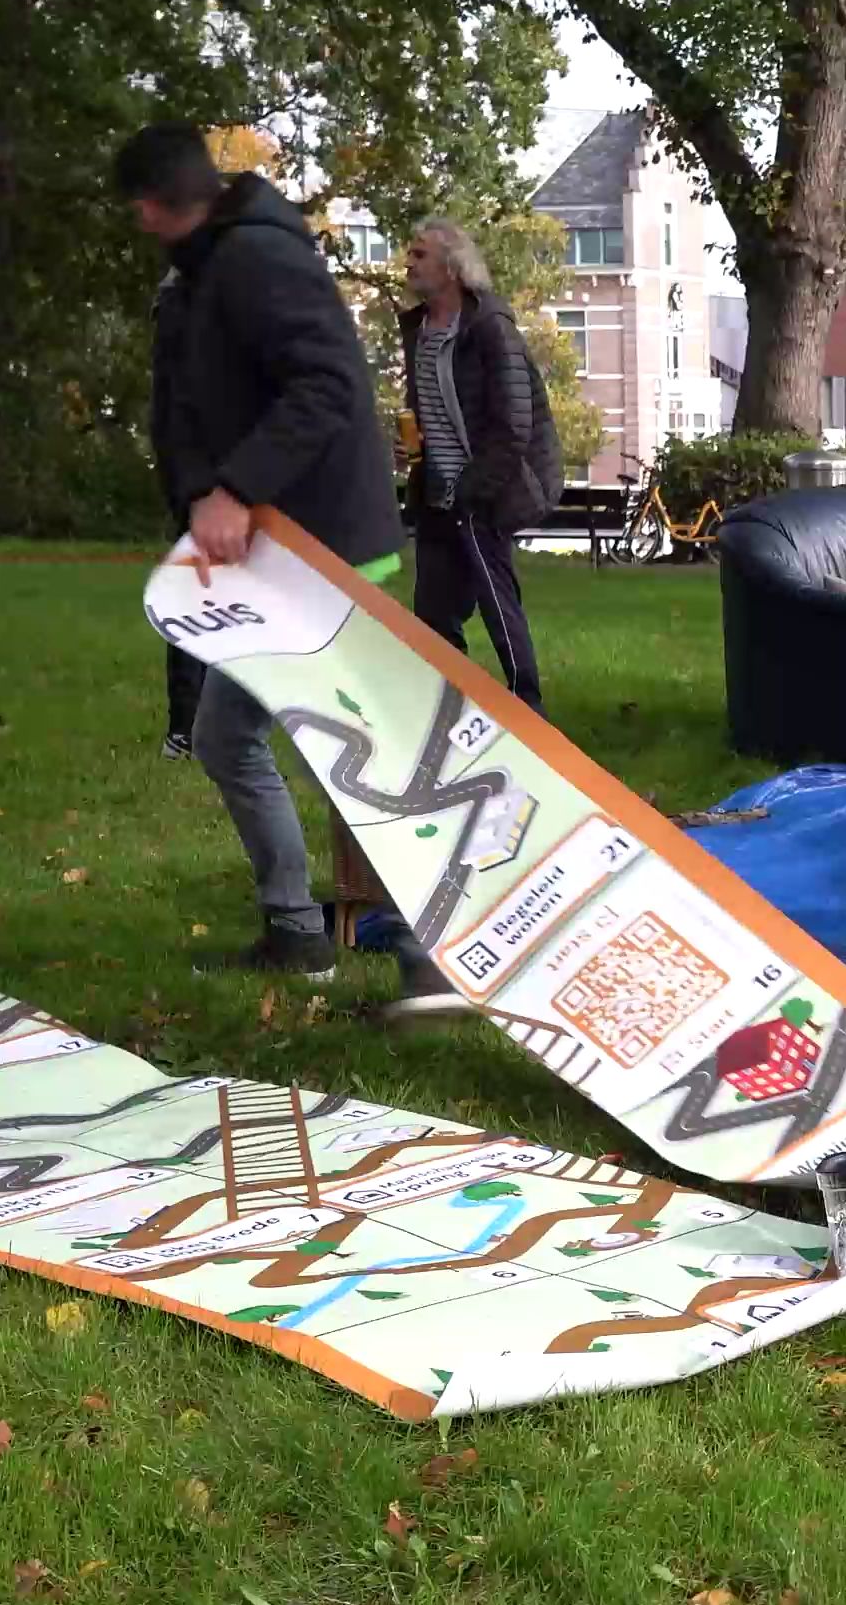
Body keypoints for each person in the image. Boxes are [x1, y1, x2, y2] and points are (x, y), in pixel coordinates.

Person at [123, 120, 405, 978]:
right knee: (244, 738)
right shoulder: (214, 264)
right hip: (286, 547)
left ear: (150, 206)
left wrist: (235, 488)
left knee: (339, 753)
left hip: (321, 550)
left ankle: (408, 947)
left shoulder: (254, 258)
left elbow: (326, 386)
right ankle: (303, 934)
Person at [394, 217, 560, 708]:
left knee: (498, 609)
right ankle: (450, 712)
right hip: (437, 494)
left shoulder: (491, 328)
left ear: (452, 266)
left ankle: (528, 713)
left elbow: (513, 426)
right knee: (433, 615)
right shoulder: (419, 331)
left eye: (420, 254)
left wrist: (473, 489)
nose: (409, 262)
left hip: (487, 489)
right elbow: (428, 408)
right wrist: (410, 448)